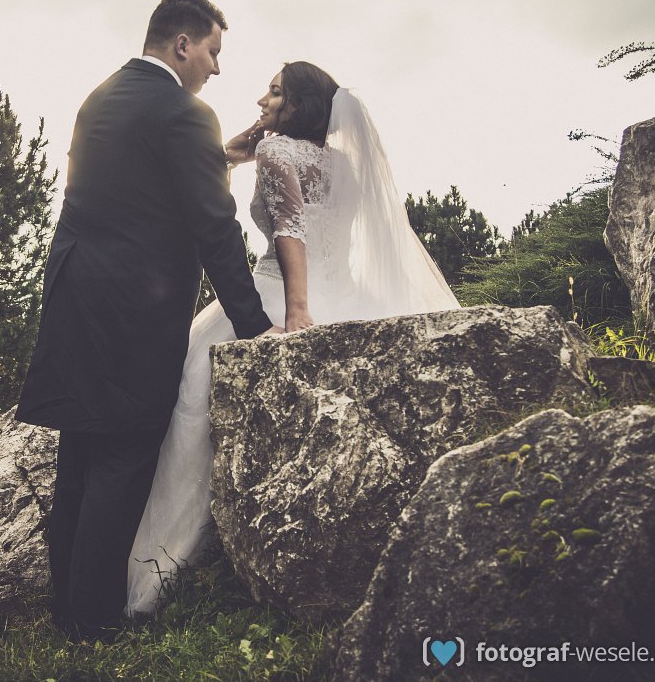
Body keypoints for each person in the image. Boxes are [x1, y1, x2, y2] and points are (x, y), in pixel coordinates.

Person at [126, 60, 460, 614]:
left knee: (190, 382)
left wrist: (298, 310)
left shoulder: (278, 151)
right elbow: (306, 213)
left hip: (281, 291)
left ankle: (166, 562)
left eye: (275, 92)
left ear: (298, 107)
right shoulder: (345, 164)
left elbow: (290, 230)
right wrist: (247, 142)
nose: (261, 99)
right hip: (345, 291)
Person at [15, 0, 278, 641]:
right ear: (183, 45)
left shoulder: (102, 96)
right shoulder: (187, 113)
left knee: (79, 464)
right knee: (122, 462)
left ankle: (65, 612)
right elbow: (215, 229)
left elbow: (131, 185)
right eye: (213, 51)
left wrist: (220, 156)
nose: (217, 67)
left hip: (76, 300)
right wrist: (254, 328)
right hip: (134, 316)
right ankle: (95, 625)